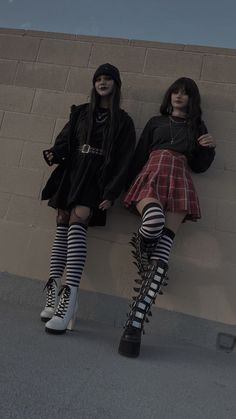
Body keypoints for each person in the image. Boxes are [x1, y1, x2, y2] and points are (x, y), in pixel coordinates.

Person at [118, 77, 216, 358]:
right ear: (169, 95)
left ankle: (135, 323)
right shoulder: (155, 122)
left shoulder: (197, 127)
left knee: (164, 250)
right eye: (176, 92)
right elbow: (138, 156)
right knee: (152, 223)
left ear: (192, 99)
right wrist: (125, 189)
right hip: (152, 174)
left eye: (185, 94)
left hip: (180, 178)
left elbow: (199, 166)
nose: (179, 96)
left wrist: (208, 149)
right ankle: (143, 252)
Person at [40, 63, 136, 334]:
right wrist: (56, 154)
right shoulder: (82, 111)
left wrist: (111, 191)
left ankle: (68, 300)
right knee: (61, 228)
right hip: (72, 172)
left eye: (108, 79)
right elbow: (65, 140)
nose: (103, 83)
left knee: (76, 226)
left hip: (95, 177)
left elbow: (125, 159)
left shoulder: (123, 120)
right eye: (99, 79)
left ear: (116, 85)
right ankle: (53, 291)